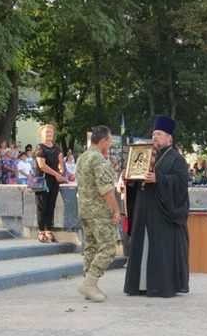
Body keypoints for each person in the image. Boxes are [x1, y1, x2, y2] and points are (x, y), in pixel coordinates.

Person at [124, 116, 190, 297]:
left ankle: (160, 286)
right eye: (153, 133)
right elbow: (138, 182)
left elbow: (181, 183)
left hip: (162, 212)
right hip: (143, 207)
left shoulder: (177, 159)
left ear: (169, 138)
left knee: (158, 248)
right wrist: (130, 179)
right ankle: (139, 285)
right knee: (141, 244)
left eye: (159, 134)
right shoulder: (145, 155)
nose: (155, 137)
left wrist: (159, 178)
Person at [75, 125, 121, 302]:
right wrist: (116, 209)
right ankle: (89, 283)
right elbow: (105, 189)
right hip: (100, 212)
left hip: (85, 210)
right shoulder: (99, 160)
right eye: (109, 141)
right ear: (102, 141)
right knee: (108, 248)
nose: (109, 144)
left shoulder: (83, 157)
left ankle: (90, 285)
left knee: (91, 248)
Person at [34, 124, 65, 243]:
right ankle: (41, 231)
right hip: (43, 179)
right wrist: (56, 174)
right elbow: (42, 165)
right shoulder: (40, 147)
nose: (49, 134)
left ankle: (49, 231)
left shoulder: (56, 147)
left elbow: (60, 160)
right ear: (41, 134)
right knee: (42, 206)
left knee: (51, 205)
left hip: (54, 179)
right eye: (47, 132)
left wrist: (61, 169)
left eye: (51, 132)